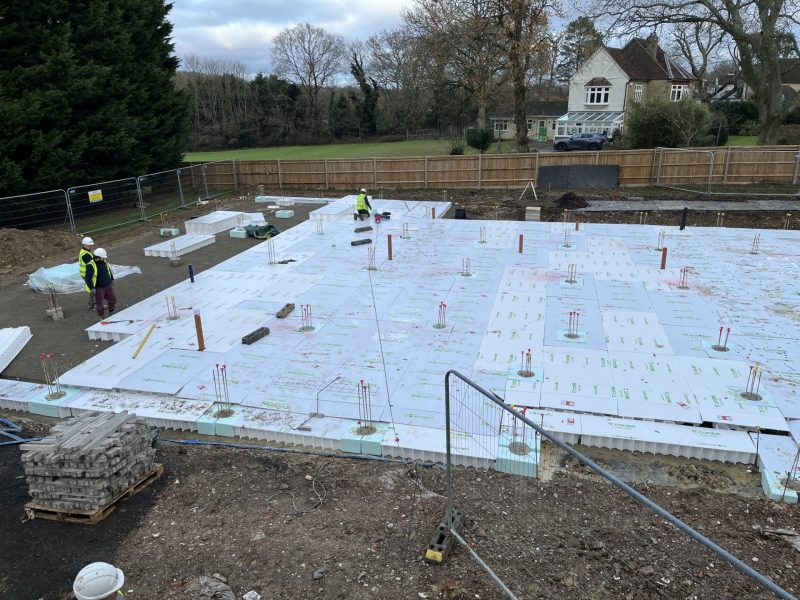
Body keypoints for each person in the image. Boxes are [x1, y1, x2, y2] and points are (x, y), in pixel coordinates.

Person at [84, 248, 116, 318]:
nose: (104, 258)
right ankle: (102, 317)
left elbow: (108, 270)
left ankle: (111, 313)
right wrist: (92, 288)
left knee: (112, 299)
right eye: (103, 257)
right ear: (98, 257)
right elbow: (87, 278)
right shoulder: (90, 265)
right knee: (100, 305)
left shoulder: (103, 261)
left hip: (108, 285)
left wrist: (112, 279)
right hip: (99, 288)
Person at [78, 236, 96, 310]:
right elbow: (92, 263)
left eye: (91, 245)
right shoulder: (85, 254)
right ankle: (91, 304)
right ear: (84, 245)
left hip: (86, 273)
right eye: (89, 245)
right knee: (92, 289)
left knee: (94, 288)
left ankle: (94, 303)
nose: (91, 246)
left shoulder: (85, 251)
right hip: (87, 274)